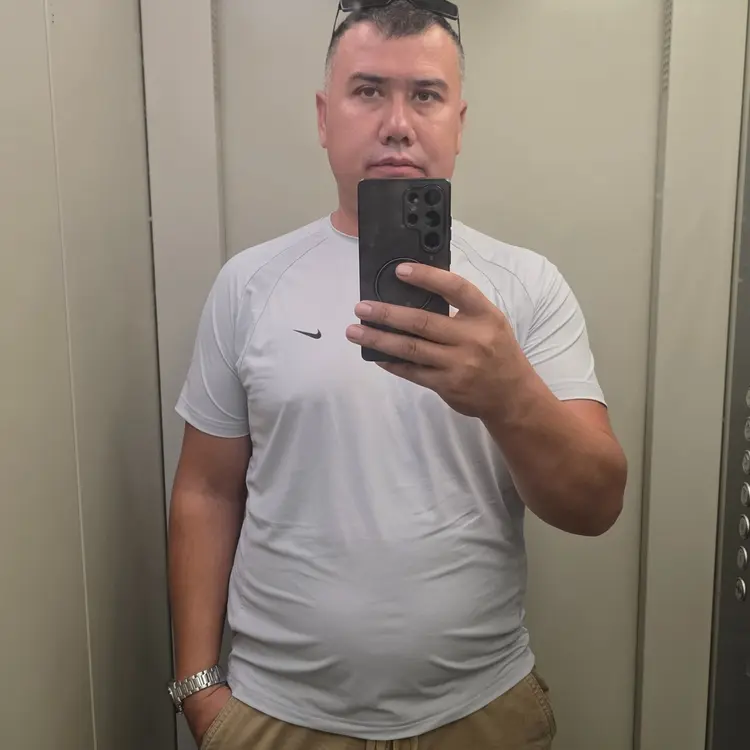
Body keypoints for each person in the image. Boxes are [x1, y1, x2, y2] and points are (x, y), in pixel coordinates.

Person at [166, 2, 628, 748]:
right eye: (368, 91)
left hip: (480, 712)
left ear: (458, 121)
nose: (397, 124)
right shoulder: (249, 284)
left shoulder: (525, 287)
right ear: (325, 117)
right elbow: (206, 490)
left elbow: (596, 504)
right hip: (274, 715)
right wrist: (198, 690)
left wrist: (508, 395)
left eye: (425, 95)